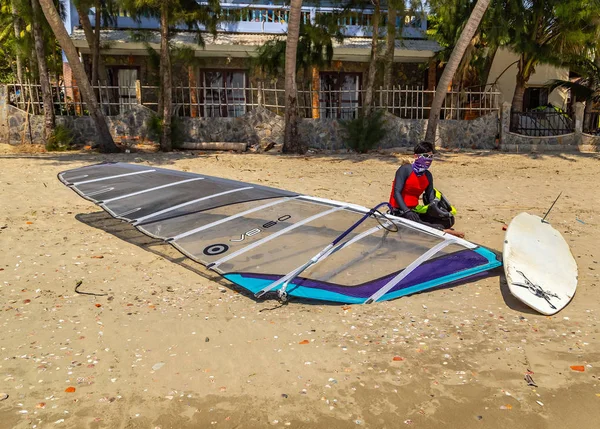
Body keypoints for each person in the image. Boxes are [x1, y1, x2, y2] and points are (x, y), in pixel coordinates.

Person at [389, 141, 465, 238]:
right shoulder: (405, 169)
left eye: (431, 157)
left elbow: (430, 198)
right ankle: (441, 230)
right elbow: (397, 192)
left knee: (449, 220)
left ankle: (435, 228)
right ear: (416, 156)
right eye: (425, 156)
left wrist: (439, 211)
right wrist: (406, 211)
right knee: (415, 221)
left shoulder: (428, 176)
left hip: (414, 210)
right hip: (400, 211)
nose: (428, 160)